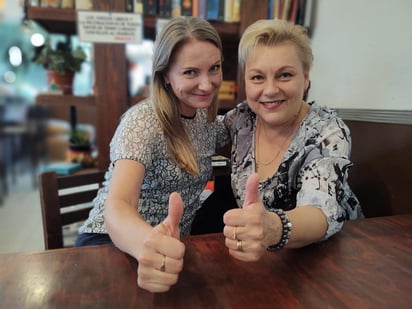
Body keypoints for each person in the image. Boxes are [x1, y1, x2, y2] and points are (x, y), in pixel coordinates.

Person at [75, 16, 229, 293]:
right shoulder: (143, 121)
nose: (206, 84)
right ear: (165, 76)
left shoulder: (205, 120)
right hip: (112, 242)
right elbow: (119, 204)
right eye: (191, 72)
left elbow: (245, 121)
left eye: (214, 68)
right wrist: (147, 244)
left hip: (170, 246)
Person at [221, 19, 364, 262]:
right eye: (257, 77)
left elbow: (319, 210)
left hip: (337, 257)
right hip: (270, 261)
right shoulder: (241, 120)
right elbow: (194, 134)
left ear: (306, 78)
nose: (269, 90)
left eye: (284, 75)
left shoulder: (327, 131)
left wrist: (273, 228)